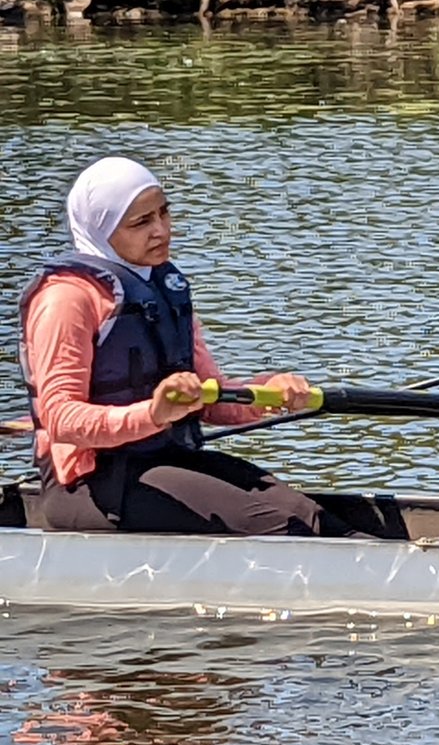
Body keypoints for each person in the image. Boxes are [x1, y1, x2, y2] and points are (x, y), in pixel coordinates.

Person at [18, 158, 338, 535]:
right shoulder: (67, 299)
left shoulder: (162, 287)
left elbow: (212, 399)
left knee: (309, 514)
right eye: (141, 223)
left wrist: (269, 393)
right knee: (280, 526)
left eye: (164, 213)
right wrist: (153, 413)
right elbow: (61, 419)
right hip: (88, 484)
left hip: (163, 460)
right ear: (101, 229)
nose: (161, 231)